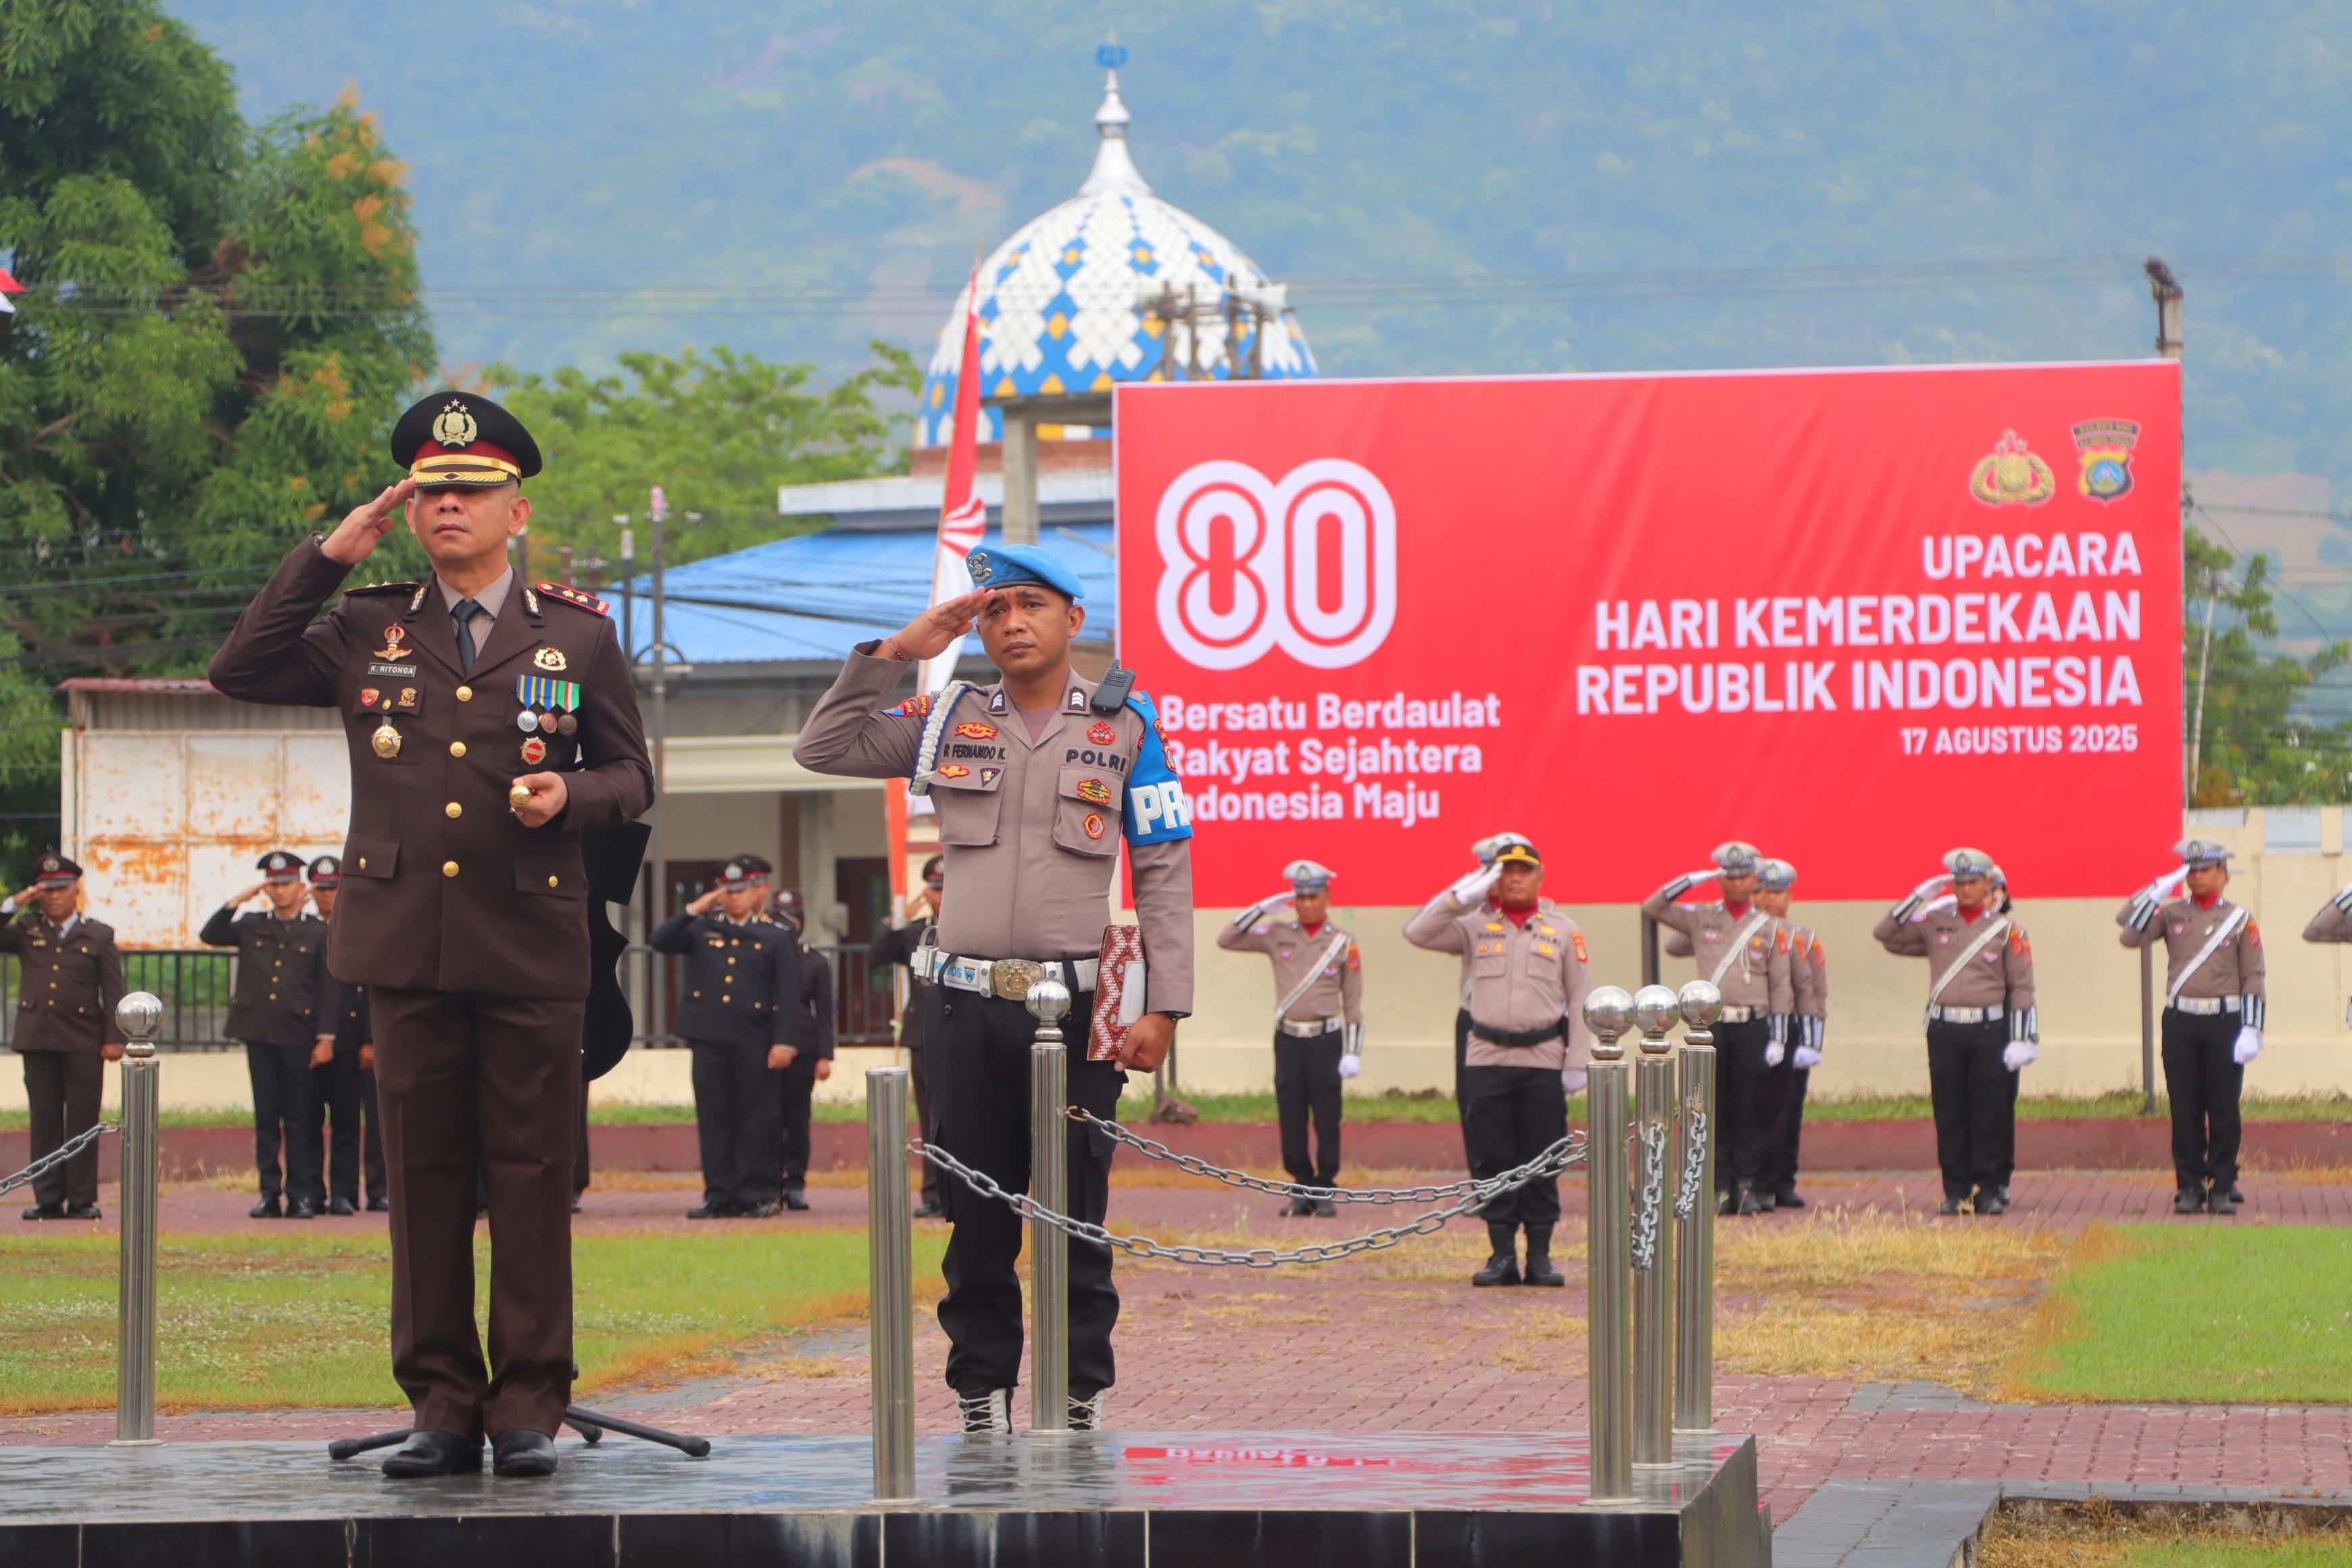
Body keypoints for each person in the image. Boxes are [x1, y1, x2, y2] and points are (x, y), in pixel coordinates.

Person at [207, 389, 654, 1479]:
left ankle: (529, 1405)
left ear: (517, 512)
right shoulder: (366, 624)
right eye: (431, 491)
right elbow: (240, 669)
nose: (449, 504)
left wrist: (572, 802)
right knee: (423, 1179)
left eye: (473, 490)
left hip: (532, 944)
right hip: (405, 943)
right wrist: (327, 553)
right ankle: (443, 1405)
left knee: (534, 1171)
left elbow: (634, 775)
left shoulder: (579, 636)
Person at [792, 541, 1192, 1436]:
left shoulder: (1128, 725)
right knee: (976, 1212)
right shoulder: (946, 717)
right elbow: (823, 746)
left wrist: (1163, 1007)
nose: (1012, 625)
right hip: (965, 1005)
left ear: (1073, 618)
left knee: (1076, 1214)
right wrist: (906, 644)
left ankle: (1078, 1391)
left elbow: (1163, 871)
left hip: (1082, 1009)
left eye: (1032, 607)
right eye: (995, 610)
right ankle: (980, 1390)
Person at [1404, 839, 1590, 1288]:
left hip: (1543, 1058)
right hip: (1487, 1058)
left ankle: (1541, 1256)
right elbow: (1418, 932)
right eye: (1506, 871)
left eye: (1524, 871)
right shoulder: (1473, 927)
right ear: (1495, 879)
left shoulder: (1564, 930)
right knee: (1494, 1157)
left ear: (1540, 878)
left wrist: (1577, 1061)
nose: (1515, 878)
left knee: (1544, 1158)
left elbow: (1582, 995)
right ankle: (1501, 1254)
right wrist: (1461, 896)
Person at [1875, 848, 2037, 1216]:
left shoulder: (2008, 931)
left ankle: (1990, 1189)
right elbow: (1885, 934)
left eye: (1973, 882)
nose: (1965, 889)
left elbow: (2022, 987)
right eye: (1959, 882)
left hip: (1989, 1028)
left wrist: (2021, 1037)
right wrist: (1920, 896)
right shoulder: (1936, 923)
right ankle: (1956, 1191)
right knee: (1950, 1112)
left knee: (1990, 1111)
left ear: (1988, 885)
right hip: (1945, 1028)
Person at [1641, 841, 1796, 1215]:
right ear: (1720, 879)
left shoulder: (1769, 926)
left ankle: (1746, 1184)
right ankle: (1716, 1184)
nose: (1737, 884)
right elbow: (1652, 907)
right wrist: (1691, 880)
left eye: (1743, 877)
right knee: (1710, 1108)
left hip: (1752, 1025)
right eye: (1729, 876)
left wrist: (1778, 1034)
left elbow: (1779, 984)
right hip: (1708, 1028)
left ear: (1754, 879)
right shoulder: (1702, 917)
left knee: (1749, 1108)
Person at [651, 855, 800, 1219]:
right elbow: (659, 940)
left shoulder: (774, 936)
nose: (734, 898)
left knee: (754, 1118)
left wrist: (784, 1041)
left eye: (741, 890)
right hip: (709, 1039)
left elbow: (789, 992)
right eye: (727, 891)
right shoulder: (702, 929)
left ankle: (753, 1193)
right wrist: (693, 908)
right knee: (713, 1118)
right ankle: (718, 1193)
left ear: (756, 892)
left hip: (754, 1040)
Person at [2120, 837, 2263, 1216]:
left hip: (2224, 1021)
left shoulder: (2240, 919)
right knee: (2184, 1108)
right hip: (2181, 1020)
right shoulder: (2170, 914)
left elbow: (2253, 976)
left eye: (2204, 870)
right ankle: (2189, 1186)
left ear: (2223, 875)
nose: (2197, 877)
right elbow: (2129, 935)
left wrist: (2252, 1027)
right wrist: (2154, 893)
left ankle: (2221, 1185)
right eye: (2191, 870)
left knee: (2223, 1108)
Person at [1218, 858, 1363, 1214]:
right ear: (1294, 901)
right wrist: (1261, 909)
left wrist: (1354, 1051)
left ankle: (1325, 1187)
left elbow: (1354, 1000)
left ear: (1327, 898)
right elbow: (1227, 938)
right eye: (1301, 898)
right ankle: (1301, 1185)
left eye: (1314, 897)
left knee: (1328, 1114)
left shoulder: (1343, 942)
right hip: (1289, 1040)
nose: (1308, 904)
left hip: (1326, 1039)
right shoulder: (1278, 934)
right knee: (1291, 1112)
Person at [201, 851, 330, 1219]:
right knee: (267, 1119)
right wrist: (240, 898)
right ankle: (269, 1193)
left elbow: (328, 988)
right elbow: (210, 934)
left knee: (302, 1119)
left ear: (301, 887)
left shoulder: (317, 931)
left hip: (300, 1036)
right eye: (272, 884)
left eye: (286, 883)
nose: (279, 891)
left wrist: (326, 1037)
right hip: (260, 1034)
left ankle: (303, 1194)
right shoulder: (252, 923)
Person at [2, 855, 124, 1221]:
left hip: (84, 1040)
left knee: (83, 1120)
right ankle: (48, 1198)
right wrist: (19, 899)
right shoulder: (26, 929)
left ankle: (82, 1199)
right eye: (47, 890)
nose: (54, 897)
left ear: (76, 891)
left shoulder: (98, 934)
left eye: (61, 889)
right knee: (44, 1119)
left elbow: (113, 990)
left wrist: (113, 1037)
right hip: (38, 1038)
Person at [305, 855, 385, 1215]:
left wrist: (370, 1038)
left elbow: (372, 986)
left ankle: (360, 1191)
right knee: (312, 1119)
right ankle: (324, 1192)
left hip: (354, 1038)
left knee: (356, 1120)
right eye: (321, 889)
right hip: (312, 1040)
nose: (327, 896)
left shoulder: (363, 928)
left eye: (333, 889)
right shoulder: (303, 930)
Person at [867, 856, 946, 1217]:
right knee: (930, 1116)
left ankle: (966, 1192)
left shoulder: (976, 926)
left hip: (966, 1032)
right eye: (934, 890)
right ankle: (934, 1193)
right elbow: (875, 957)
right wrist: (899, 921)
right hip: (923, 1034)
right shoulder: (915, 932)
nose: (940, 897)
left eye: (946, 889)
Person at [1754, 857, 1825, 1210]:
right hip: (1755, 1026)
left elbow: (1815, 991)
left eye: (1778, 892)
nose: (1771, 899)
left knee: (1789, 1107)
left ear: (1789, 896)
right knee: (1756, 1108)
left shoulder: (1804, 937)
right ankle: (1757, 1182)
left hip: (1793, 1028)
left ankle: (1783, 1180)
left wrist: (1813, 1041)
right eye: (1764, 891)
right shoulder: (1743, 935)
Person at [767, 887, 836, 1212]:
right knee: (767, 1117)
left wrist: (824, 1056)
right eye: (778, 919)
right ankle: (769, 1181)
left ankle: (795, 1183)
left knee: (797, 1118)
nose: (786, 926)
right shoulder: (761, 957)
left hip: (804, 1050)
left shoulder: (815, 962)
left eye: (791, 919)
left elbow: (824, 1014)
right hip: (765, 1048)